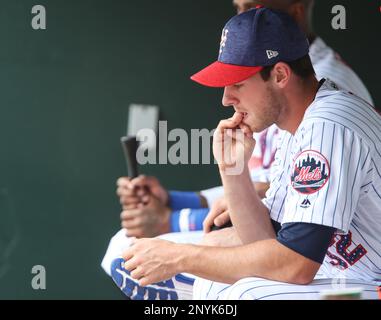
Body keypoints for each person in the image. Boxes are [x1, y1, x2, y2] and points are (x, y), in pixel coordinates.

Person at [102, 1, 377, 299]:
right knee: (210, 283)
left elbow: (296, 264)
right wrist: (232, 170)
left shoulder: (327, 125)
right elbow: (263, 241)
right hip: (348, 274)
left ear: (280, 75)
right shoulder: (297, 125)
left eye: (237, 84)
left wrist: (180, 257)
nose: (226, 99)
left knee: (240, 294)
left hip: (371, 282)